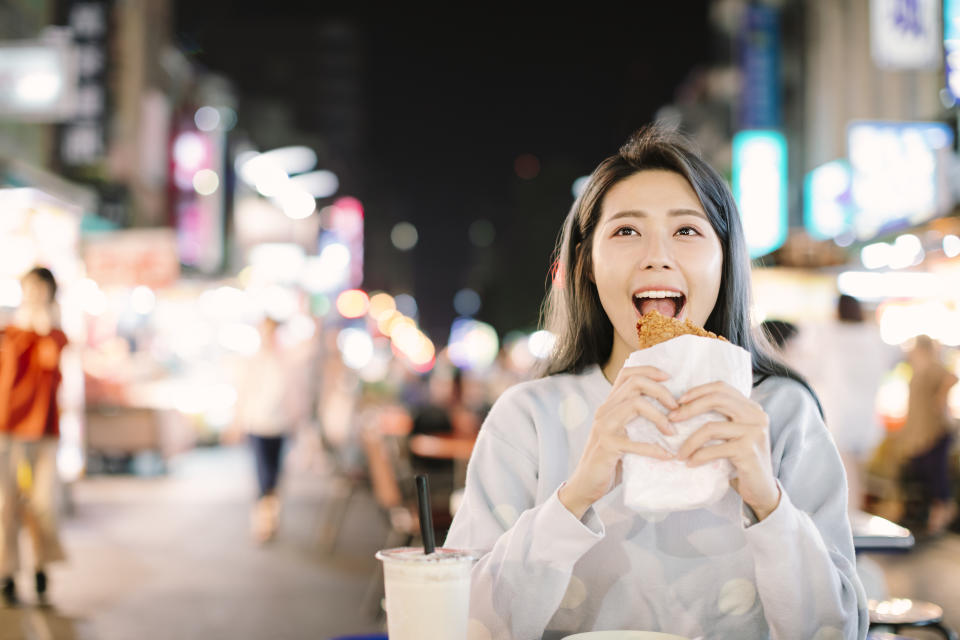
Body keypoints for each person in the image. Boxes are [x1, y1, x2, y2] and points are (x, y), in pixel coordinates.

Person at [444, 126, 867, 639]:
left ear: (724, 259)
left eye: (687, 231)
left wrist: (767, 500)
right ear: (586, 266)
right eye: (626, 231)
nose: (656, 256)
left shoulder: (784, 413)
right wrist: (575, 495)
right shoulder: (527, 418)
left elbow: (840, 632)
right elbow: (460, 624)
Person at [0, 267, 69, 606]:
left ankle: (41, 566)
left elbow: (51, 365)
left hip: (44, 431)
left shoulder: (53, 334)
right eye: (31, 287)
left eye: (42, 288)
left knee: (43, 504)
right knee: (5, 504)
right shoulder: (8, 331)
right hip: (8, 430)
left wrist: (43, 326)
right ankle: (6, 572)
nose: (36, 293)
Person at [232, 316, 299, 544]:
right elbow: (243, 392)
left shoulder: (284, 361)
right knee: (263, 474)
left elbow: (292, 394)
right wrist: (237, 421)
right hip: (257, 423)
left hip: (280, 425)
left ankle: (270, 517)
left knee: (275, 474)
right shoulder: (253, 361)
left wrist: (296, 419)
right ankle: (263, 522)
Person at [896, 334, 958, 535]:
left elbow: (951, 378)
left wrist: (940, 401)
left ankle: (941, 515)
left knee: (936, 475)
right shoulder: (918, 368)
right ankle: (927, 515)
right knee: (920, 474)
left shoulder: (933, 367)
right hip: (920, 431)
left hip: (934, 431)